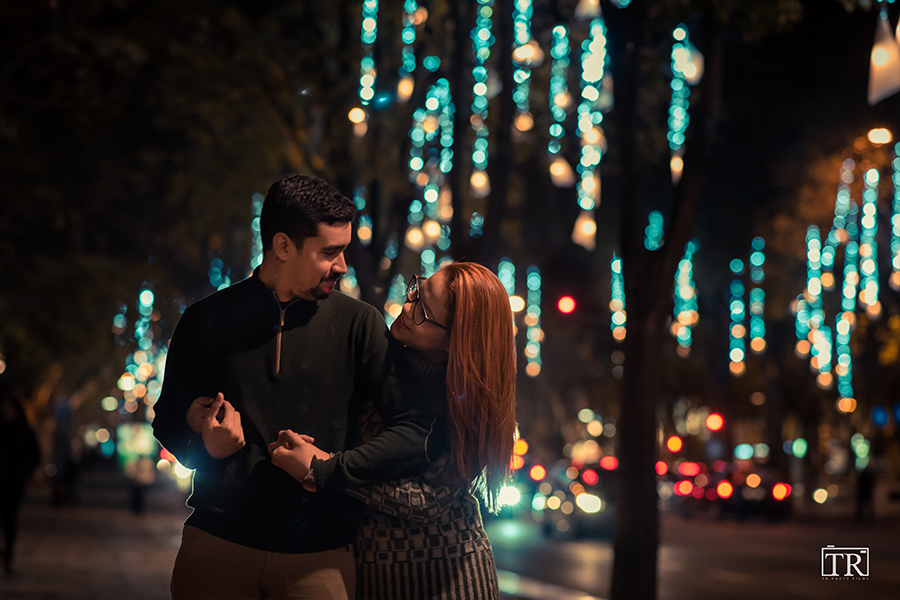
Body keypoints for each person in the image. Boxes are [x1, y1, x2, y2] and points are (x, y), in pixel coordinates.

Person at [152, 174, 431, 600]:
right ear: (283, 246)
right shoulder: (204, 319)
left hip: (320, 559)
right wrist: (204, 445)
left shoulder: (360, 324)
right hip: (217, 546)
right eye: (329, 252)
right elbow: (167, 418)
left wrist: (331, 468)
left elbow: (414, 429)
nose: (342, 265)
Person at [270, 262, 518, 600]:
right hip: (373, 571)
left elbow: (426, 500)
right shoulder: (381, 357)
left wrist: (324, 468)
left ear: (453, 342)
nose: (406, 306)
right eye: (417, 290)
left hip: (447, 576)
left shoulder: (466, 402)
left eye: (422, 311)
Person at [0, 391, 41, 576]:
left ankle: (8, 555)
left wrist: (23, 473)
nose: (6, 411)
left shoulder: (26, 431)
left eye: (9, 408)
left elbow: (36, 457)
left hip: (15, 483)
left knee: (10, 519)